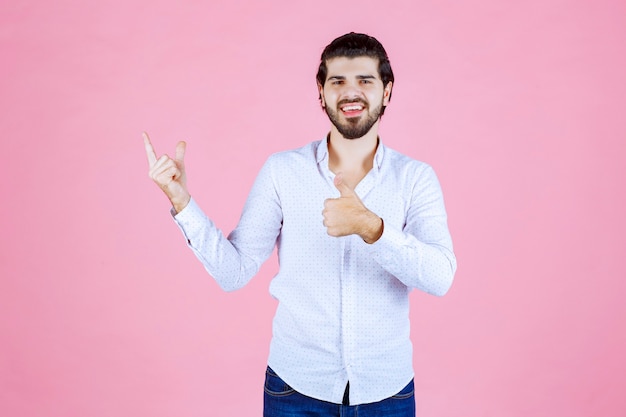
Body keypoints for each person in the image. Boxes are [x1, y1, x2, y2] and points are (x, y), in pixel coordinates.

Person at [144, 32, 456, 417]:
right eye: (337, 81)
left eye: (365, 80)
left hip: (386, 393)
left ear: (387, 92)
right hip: (294, 391)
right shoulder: (282, 171)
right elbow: (234, 271)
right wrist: (181, 202)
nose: (350, 92)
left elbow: (441, 277)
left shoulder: (416, 178)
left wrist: (372, 228)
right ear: (321, 93)